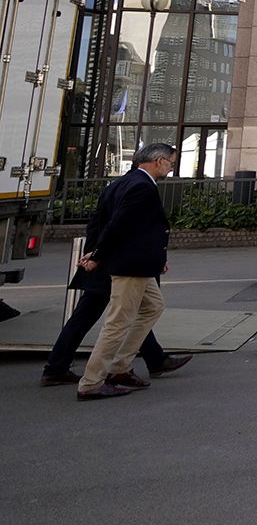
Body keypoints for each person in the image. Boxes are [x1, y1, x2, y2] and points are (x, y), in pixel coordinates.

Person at [75, 142, 178, 401]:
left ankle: (121, 367)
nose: (171, 167)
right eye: (170, 163)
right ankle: (92, 381)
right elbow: (119, 224)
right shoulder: (142, 187)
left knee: (153, 306)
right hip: (131, 264)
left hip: (140, 262)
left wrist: (156, 257)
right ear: (158, 161)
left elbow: (101, 221)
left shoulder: (121, 183)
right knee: (118, 321)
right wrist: (97, 255)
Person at [42, 216, 192, 386]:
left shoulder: (113, 190)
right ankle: (95, 375)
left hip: (108, 262)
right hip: (117, 264)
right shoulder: (135, 192)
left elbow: (96, 224)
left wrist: (92, 253)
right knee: (117, 315)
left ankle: (154, 358)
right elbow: (126, 228)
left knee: (125, 312)